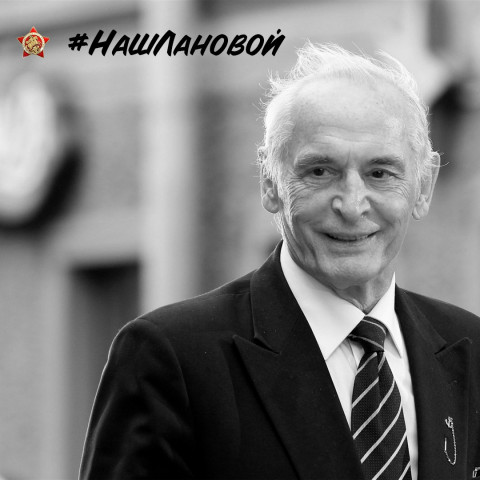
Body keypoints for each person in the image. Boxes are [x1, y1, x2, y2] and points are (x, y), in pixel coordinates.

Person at [79, 43, 480, 480]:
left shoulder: (471, 349)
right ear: (270, 182)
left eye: (379, 173)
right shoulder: (172, 358)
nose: (351, 205)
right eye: (320, 171)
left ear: (424, 186)